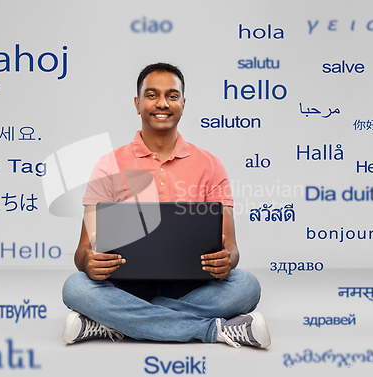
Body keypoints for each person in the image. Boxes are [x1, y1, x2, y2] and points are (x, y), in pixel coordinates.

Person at [61, 63, 270, 348]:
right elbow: (82, 253)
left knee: (246, 286)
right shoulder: (108, 165)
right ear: (137, 104)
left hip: (191, 286)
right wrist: (89, 262)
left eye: (172, 95)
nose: (162, 103)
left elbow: (231, 250)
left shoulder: (210, 164)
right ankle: (213, 331)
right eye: (152, 95)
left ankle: (113, 322)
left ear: (183, 104)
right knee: (75, 288)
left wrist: (226, 261)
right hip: (126, 285)